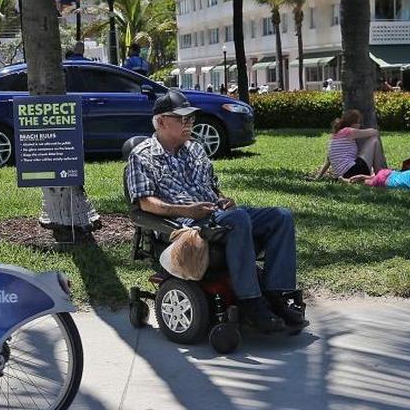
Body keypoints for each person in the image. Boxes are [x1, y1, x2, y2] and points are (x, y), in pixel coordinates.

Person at [125, 90, 304, 332]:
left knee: (280, 216)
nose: (189, 124)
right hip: (184, 225)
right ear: (161, 121)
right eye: (182, 119)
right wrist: (188, 209)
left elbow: (212, 188)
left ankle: (276, 295)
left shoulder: (196, 150)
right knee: (238, 219)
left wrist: (224, 199)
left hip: (216, 214)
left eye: (191, 119)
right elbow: (145, 204)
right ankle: (251, 302)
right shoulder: (142, 156)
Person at [314, 109, 385, 180]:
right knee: (374, 139)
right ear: (353, 123)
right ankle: (379, 176)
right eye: (359, 123)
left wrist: (318, 177)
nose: (360, 125)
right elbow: (374, 132)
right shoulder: (349, 131)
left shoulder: (335, 136)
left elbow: (328, 161)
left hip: (341, 175)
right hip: (352, 170)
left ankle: (351, 180)